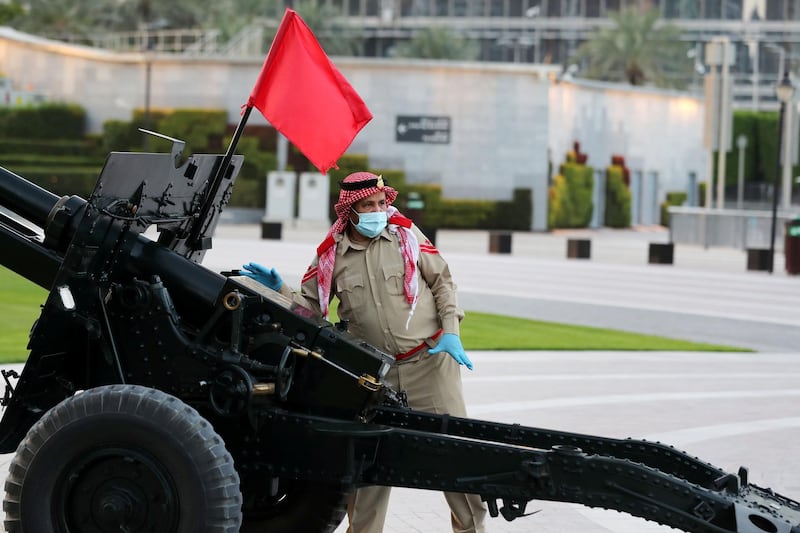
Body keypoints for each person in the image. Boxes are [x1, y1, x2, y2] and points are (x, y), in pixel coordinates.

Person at [242, 171, 487, 533]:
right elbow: (309, 311)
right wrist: (279, 289)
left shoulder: (406, 233)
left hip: (429, 364)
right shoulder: (330, 255)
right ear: (350, 211)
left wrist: (450, 330)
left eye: (381, 203)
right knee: (368, 472)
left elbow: (443, 282)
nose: (378, 210)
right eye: (368, 205)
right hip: (374, 378)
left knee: (454, 459)